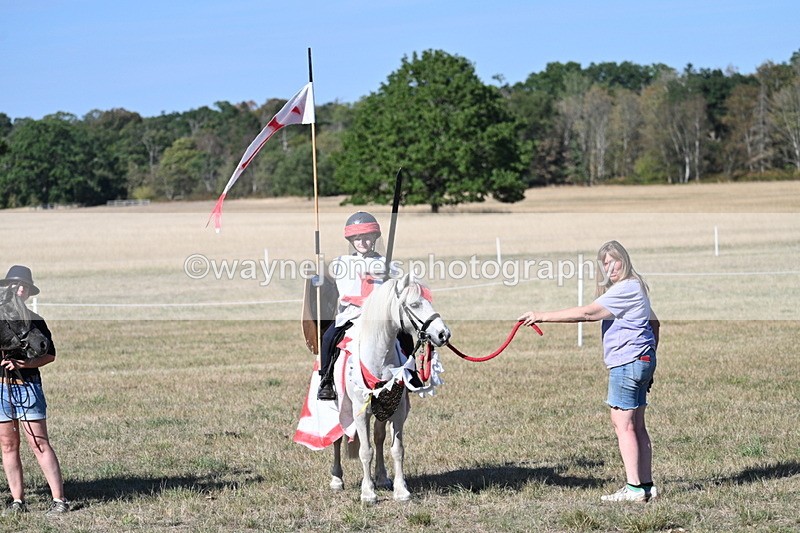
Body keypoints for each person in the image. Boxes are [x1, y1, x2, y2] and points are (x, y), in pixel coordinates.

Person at [518, 241, 660, 503]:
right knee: (637, 425)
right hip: (640, 360)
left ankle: (634, 489)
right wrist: (650, 359)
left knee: (623, 426)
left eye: (614, 260)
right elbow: (655, 323)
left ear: (625, 260)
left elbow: (587, 313)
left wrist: (541, 315)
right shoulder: (637, 287)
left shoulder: (625, 288)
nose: (610, 267)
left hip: (627, 362)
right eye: (605, 263)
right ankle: (646, 486)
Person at [0, 265, 69, 515]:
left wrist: (25, 363)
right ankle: (18, 501)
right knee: (8, 445)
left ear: (28, 292)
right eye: (16, 284)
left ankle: (59, 500)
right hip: (1, 389)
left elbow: (49, 355)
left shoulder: (35, 320)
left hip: (28, 386)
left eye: (24, 286)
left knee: (39, 442)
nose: (20, 289)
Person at [317, 212, 388, 400]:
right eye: (357, 238)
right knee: (328, 338)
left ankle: (409, 373)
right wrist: (318, 279)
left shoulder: (387, 263)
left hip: (378, 316)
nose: (362, 242)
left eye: (366, 238)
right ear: (351, 240)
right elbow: (330, 284)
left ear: (374, 239)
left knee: (404, 336)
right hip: (350, 315)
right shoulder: (341, 262)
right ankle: (326, 381)